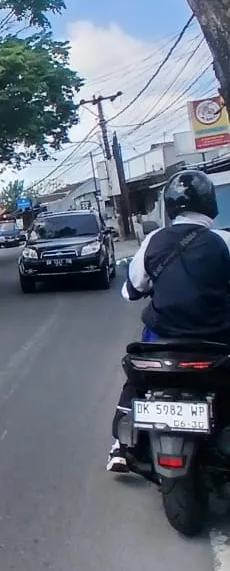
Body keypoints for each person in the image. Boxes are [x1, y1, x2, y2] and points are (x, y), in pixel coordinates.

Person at [108, 169, 230, 471]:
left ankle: (120, 447)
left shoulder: (153, 241)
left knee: (137, 380)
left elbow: (130, 292)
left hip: (162, 342)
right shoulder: (224, 241)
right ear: (210, 204)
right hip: (216, 341)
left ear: (171, 207)